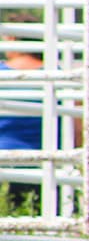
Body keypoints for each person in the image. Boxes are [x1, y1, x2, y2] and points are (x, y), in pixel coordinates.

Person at [0, 17, 47, 213]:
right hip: (46, 158)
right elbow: (76, 127)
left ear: (12, 39)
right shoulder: (55, 72)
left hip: (4, 153)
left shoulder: (2, 72)